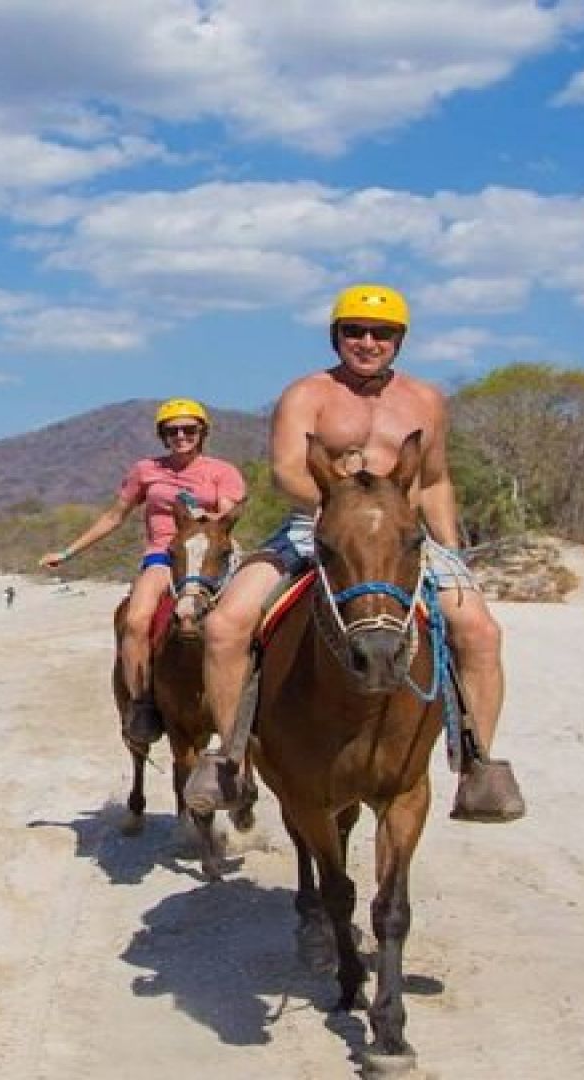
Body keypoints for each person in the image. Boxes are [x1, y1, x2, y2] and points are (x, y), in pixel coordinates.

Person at [184, 284, 526, 822]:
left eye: (382, 333)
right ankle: (230, 759)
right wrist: (338, 507)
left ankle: (479, 765)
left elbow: (434, 481)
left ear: (400, 340)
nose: (368, 342)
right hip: (315, 525)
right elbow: (287, 471)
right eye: (355, 331)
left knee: (479, 630)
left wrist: (453, 553)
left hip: (402, 535)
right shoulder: (308, 394)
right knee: (226, 624)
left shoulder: (426, 400)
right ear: (336, 335)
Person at [39, 399, 246, 745]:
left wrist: (198, 518)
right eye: (173, 430)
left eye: (189, 429)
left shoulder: (221, 471)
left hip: (210, 556)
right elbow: (113, 516)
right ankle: (142, 704)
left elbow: (226, 516)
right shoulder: (145, 470)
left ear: (202, 433)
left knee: (258, 612)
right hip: (164, 556)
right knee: (136, 620)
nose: (181, 436)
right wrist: (68, 552)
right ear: (163, 435)